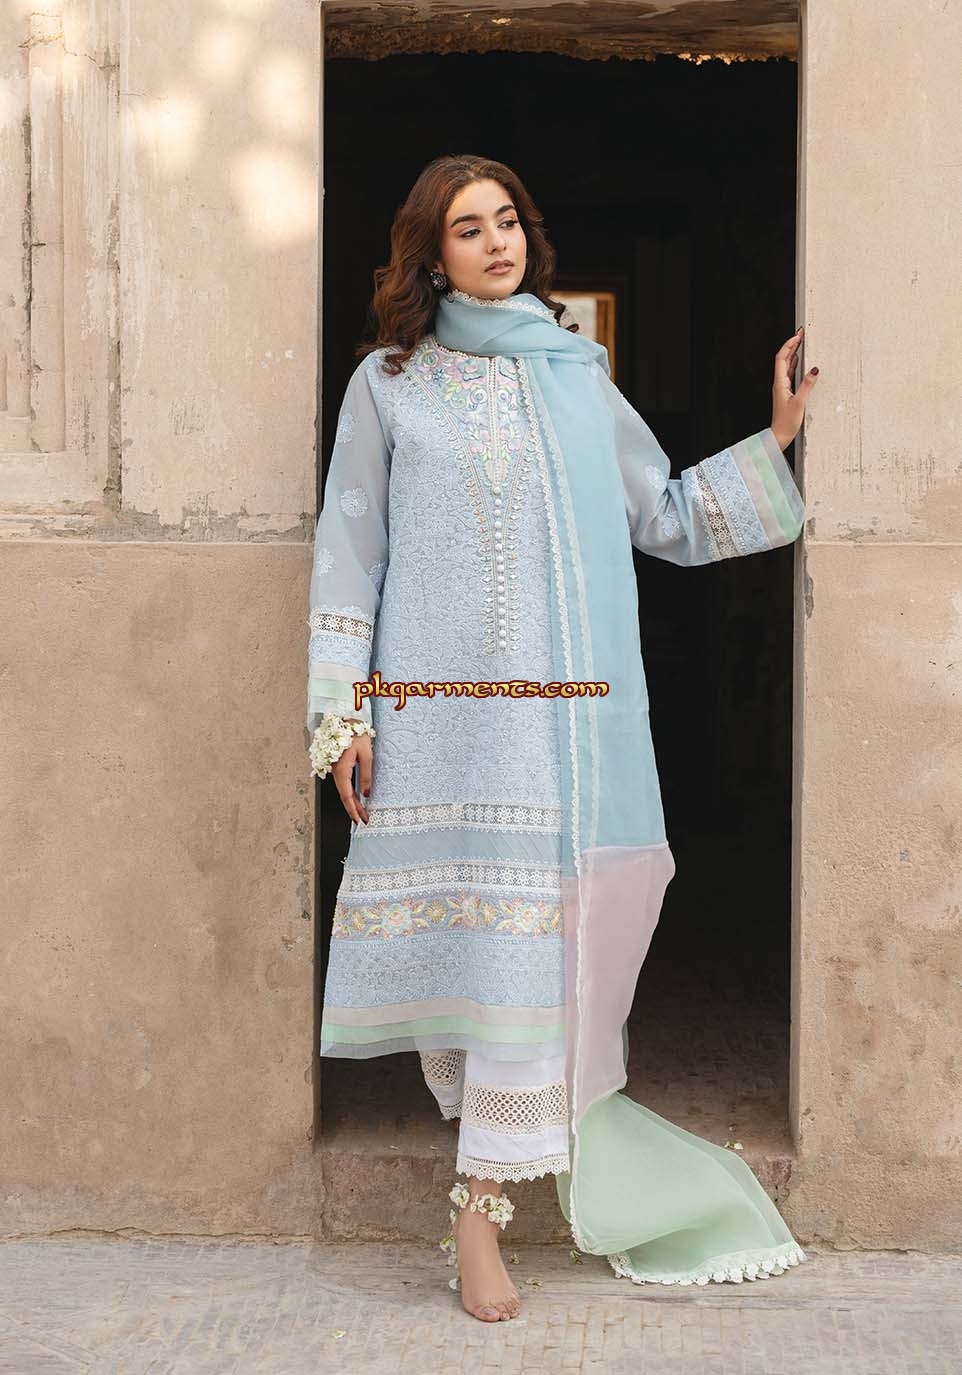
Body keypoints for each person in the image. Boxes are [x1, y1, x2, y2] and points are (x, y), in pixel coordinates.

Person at [306, 153, 818, 1324]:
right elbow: (349, 550)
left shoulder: (577, 376)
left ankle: (476, 1213)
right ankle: (484, 1193)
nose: (495, 243)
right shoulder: (388, 384)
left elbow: (664, 513)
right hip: (440, 729)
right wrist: (344, 714)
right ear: (430, 255)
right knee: (477, 970)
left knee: (533, 972)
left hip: (560, 738)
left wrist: (774, 439)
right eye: (466, 228)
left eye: (505, 222)